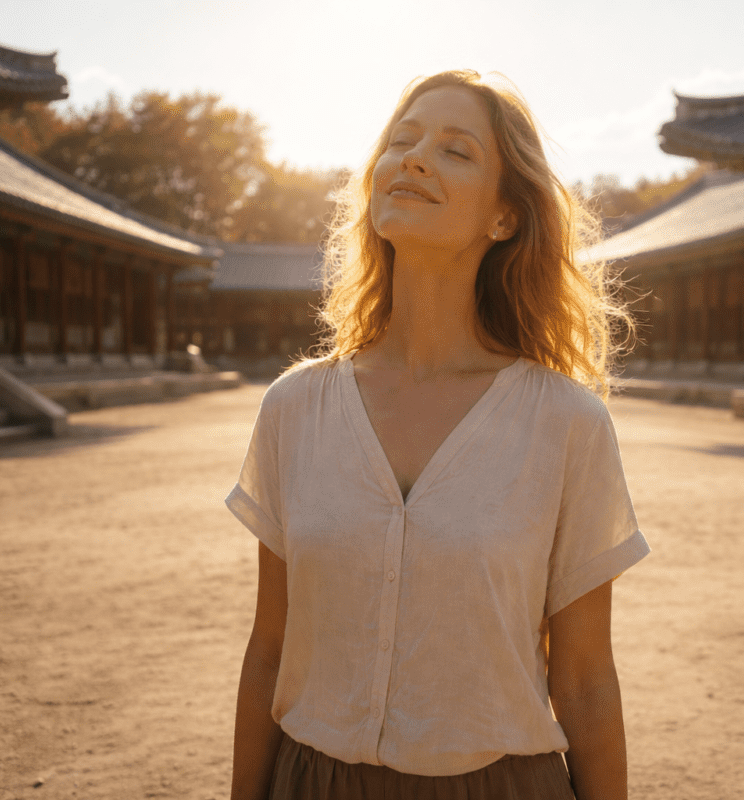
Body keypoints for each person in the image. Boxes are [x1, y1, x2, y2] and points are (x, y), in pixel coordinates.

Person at [226, 69, 649, 800]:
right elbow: (270, 649)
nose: (414, 159)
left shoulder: (566, 424)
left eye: (456, 151)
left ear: (504, 218)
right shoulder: (295, 408)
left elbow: (584, 681)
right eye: (402, 141)